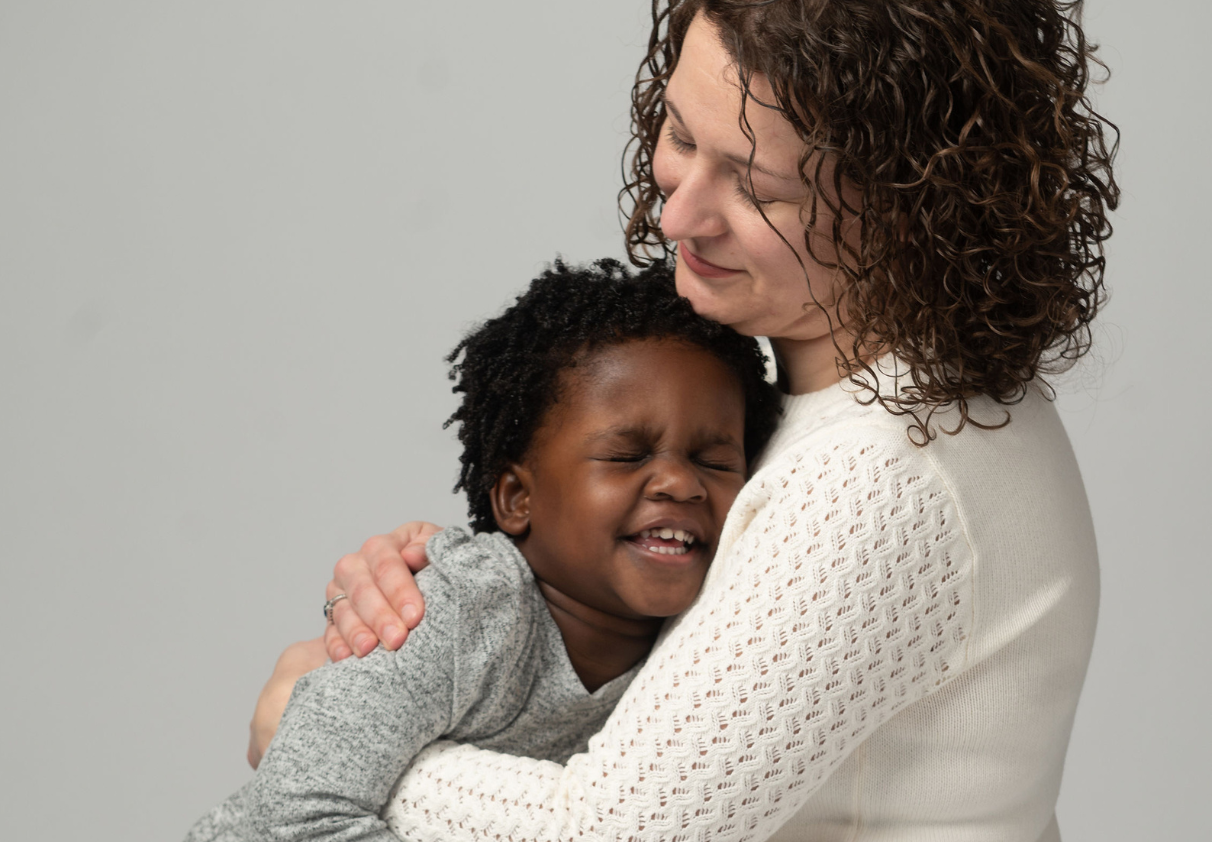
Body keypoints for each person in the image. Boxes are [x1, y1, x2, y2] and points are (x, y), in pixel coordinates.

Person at [251, 1, 1119, 839]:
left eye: (756, 186)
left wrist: (322, 736)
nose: (676, 214)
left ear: (910, 207)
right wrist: (440, 597)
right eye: (680, 134)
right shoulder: (857, 392)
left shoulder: (876, 477)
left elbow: (614, 834)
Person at [186, 259, 782, 841]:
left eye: (714, 460)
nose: (680, 483)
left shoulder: (705, 638)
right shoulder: (464, 610)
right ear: (517, 499)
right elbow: (297, 809)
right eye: (626, 456)